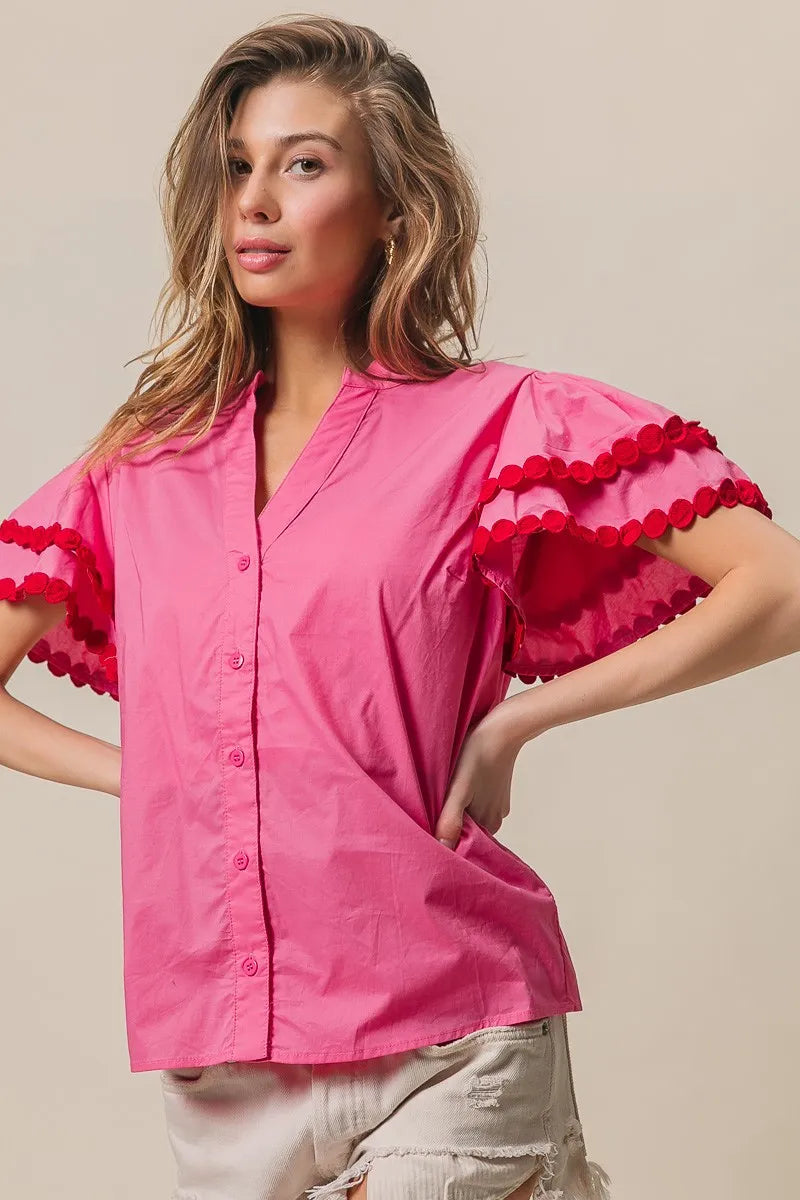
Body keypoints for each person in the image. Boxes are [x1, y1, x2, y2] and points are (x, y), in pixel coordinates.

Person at [1, 14, 797, 1200]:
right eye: (236, 166)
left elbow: (775, 586)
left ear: (393, 208)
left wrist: (511, 723)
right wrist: (163, 769)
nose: (256, 200)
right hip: (223, 1081)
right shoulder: (137, 470)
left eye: (304, 163)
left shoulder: (502, 425)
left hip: (453, 1038)